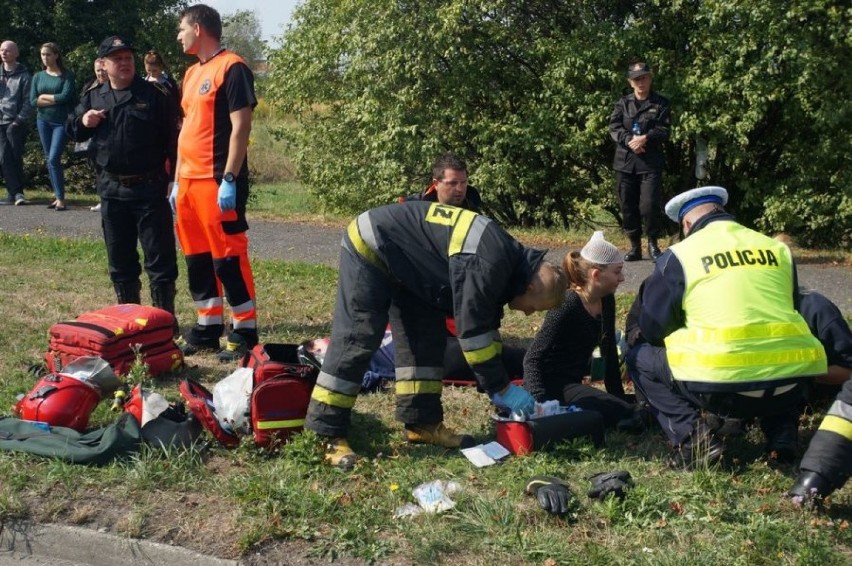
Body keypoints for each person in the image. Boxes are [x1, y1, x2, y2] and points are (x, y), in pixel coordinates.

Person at [304, 200, 568, 469]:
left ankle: (422, 423)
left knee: (425, 340)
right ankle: (326, 433)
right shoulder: (490, 263)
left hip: (410, 265)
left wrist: (497, 383)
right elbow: (473, 333)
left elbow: (485, 328)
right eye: (534, 307)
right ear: (531, 285)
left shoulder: (506, 265)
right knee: (358, 337)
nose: (527, 314)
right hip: (373, 243)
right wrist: (501, 388)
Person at [633, 186, 827, 469]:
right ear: (722, 212)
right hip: (791, 384)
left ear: (686, 224)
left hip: (722, 390)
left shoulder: (680, 255)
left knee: (639, 355)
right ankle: (782, 436)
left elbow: (653, 329)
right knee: (774, 348)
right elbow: (792, 305)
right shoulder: (776, 249)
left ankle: (694, 441)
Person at [66, 35, 180, 328]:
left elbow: (173, 140)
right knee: (121, 262)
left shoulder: (154, 95)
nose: (124, 63)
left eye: (128, 58)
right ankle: (129, 323)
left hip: (150, 188)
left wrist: (173, 180)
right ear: (103, 64)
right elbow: (73, 131)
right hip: (112, 190)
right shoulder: (93, 96)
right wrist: (84, 122)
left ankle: (164, 322)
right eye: (117, 59)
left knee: (160, 261)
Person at [172, 4, 259, 361]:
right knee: (197, 258)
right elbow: (186, 130)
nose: (178, 36)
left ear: (197, 27)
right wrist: (176, 181)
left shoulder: (233, 67)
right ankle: (207, 327)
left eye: (181, 29)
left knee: (228, 257)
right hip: (188, 181)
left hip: (216, 179)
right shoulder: (191, 74)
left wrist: (229, 178)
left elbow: (242, 127)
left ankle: (245, 330)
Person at [523, 231, 641, 430]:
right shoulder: (568, 304)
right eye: (617, 271)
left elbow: (609, 351)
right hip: (552, 385)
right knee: (621, 412)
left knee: (629, 405)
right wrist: (540, 406)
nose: (621, 278)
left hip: (573, 382)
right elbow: (533, 358)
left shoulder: (606, 300)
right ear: (596, 275)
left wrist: (617, 395)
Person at [609, 60, 671, 262]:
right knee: (628, 206)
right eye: (636, 79)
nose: (640, 82)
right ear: (630, 82)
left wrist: (646, 138)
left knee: (649, 206)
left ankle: (653, 243)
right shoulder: (622, 103)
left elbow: (664, 130)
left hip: (649, 163)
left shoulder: (661, 103)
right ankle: (634, 246)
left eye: (644, 78)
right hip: (625, 163)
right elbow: (615, 127)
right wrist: (629, 141)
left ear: (650, 79)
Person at [31, 42, 75, 211]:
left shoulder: (67, 75)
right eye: (42, 54)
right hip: (43, 121)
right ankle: (58, 197)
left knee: (53, 158)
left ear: (56, 55)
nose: (45, 57)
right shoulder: (38, 76)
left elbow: (65, 96)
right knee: (50, 159)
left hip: (61, 122)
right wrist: (50, 99)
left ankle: (61, 199)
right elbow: (33, 100)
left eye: (48, 54)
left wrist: (44, 97)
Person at [0, 40, 31, 206]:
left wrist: (18, 120)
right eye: (2, 50)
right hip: (0, 122)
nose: (4, 53)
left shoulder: (24, 76)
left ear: (16, 53)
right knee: (4, 157)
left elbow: (28, 101)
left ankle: (19, 192)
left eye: (8, 50)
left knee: (15, 156)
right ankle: (12, 193)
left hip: (15, 122)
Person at [401, 152, 483, 212]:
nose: (460, 189)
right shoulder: (412, 208)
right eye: (453, 183)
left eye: (463, 182)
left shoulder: (473, 203)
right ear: (436, 183)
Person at [79, 58, 108, 212]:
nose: (100, 73)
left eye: (103, 69)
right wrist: (86, 117)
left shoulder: (116, 87)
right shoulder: (90, 88)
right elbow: (81, 109)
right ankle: (102, 198)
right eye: (97, 70)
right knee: (99, 168)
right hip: (96, 135)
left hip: (111, 134)